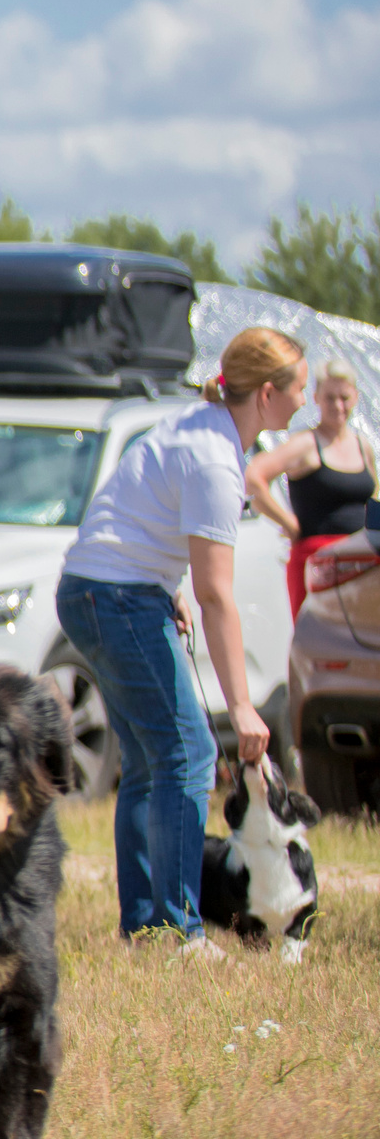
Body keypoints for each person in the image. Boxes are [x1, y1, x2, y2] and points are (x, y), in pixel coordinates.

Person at [59, 326, 305, 952]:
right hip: (116, 597)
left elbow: (136, 511)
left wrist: (165, 584)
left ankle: (147, 926)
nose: (303, 401)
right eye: (299, 388)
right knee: (189, 756)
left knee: (149, 762)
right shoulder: (218, 461)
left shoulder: (194, 427)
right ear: (269, 394)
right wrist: (243, 706)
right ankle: (177, 930)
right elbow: (219, 594)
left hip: (98, 590)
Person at [245, 358, 368, 616]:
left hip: (362, 563)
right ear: (316, 398)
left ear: (355, 397)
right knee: (319, 646)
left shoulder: (363, 447)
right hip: (318, 563)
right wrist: (288, 522)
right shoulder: (306, 444)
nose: (338, 405)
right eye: (330, 398)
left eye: (344, 397)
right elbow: (254, 476)